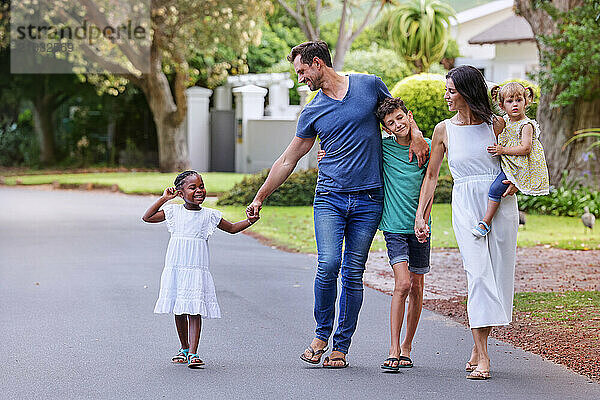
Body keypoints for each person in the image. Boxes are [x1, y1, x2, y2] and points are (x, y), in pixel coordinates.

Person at [245, 41, 429, 368]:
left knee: (352, 273)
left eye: (302, 71)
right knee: (328, 264)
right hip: (329, 198)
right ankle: (320, 334)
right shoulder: (313, 110)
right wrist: (261, 196)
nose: (300, 78)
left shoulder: (368, 85)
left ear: (318, 63)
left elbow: (393, 116)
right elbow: (289, 159)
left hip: (369, 200)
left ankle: (340, 347)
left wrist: (414, 133)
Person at [414, 65, 519, 380]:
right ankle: (484, 356)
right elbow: (432, 176)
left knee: (499, 276)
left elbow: (522, 159)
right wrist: (421, 215)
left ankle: (478, 345)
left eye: (451, 91)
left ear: (468, 92)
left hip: (499, 204)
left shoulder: (497, 125)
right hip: (464, 204)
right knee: (477, 274)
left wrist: (515, 180)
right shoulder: (444, 130)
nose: (446, 96)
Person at [318, 97, 431, 371]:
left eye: (400, 119)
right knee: (403, 284)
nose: (397, 125)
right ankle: (393, 347)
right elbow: (354, 152)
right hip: (393, 225)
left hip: (421, 226)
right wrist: (328, 155)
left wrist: (423, 220)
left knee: (417, 287)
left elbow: (431, 182)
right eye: (390, 123)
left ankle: (407, 347)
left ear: (409, 116)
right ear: (385, 128)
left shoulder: (425, 147)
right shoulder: (383, 147)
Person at [142, 170, 259, 369]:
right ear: (180, 192)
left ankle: (194, 353)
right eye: (193, 187)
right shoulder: (173, 212)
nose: (199, 191)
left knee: (195, 308)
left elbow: (231, 228)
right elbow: (148, 217)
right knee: (179, 309)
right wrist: (164, 198)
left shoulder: (209, 215)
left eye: (201, 186)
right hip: (177, 268)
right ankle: (184, 348)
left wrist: (250, 221)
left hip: (196, 269)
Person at [471, 82, 549, 237]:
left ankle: (485, 223)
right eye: (510, 101)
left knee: (495, 189)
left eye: (519, 100)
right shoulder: (505, 121)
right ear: (501, 104)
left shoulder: (526, 125)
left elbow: (525, 148)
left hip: (518, 166)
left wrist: (503, 150)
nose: (515, 105)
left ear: (526, 101)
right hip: (509, 163)